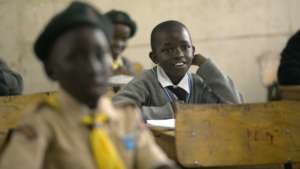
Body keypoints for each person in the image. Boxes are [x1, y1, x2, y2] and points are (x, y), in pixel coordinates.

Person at [0, 2, 178, 169]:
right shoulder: (42, 124)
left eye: (101, 54)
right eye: (75, 57)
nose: (93, 68)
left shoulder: (127, 119)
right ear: (50, 69)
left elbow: (156, 162)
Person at [112, 20, 243, 120]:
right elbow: (115, 110)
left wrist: (206, 65)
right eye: (168, 50)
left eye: (185, 47)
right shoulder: (146, 81)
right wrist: (169, 111)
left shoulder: (199, 83)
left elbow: (237, 107)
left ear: (193, 51)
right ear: (154, 57)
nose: (179, 54)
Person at [105, 10, 137, 76]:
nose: (119, 44)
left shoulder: (127, 64)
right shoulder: (93, 64)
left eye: (124, 39)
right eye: (113, 37)